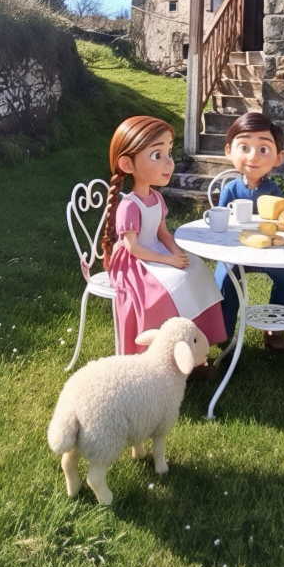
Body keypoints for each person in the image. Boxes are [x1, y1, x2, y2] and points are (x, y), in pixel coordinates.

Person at [101, 115, 225, 374]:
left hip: (155, 252)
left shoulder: (156, 198)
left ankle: (195, 350)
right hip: (135, 262)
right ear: (127, 163)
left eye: (169, 152)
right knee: (167, 290)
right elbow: (133, 247)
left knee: (197, 272)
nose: (169, 162)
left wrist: (176, 251)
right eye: (157, 155)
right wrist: (168, 260)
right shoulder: (129, 206)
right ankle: (163, 359)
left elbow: (163, 233)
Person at [213, 112, 284, 351]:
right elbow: (220, 219)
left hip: (268, 252)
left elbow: (280, 220)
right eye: (244, 147)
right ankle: (223, 331)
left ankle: (275, 330)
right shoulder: (230, 189)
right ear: (229, 150)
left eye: (263, 149)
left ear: (278, 157)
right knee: (224, 276)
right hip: (235, 249)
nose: (253, 156)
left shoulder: (273, 190)